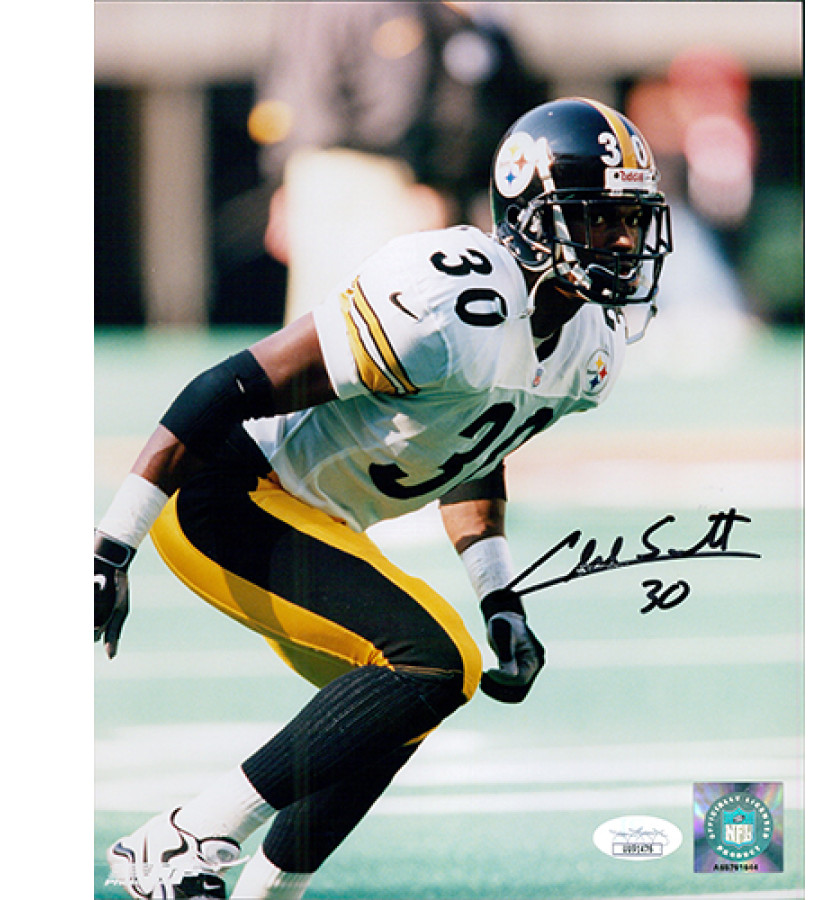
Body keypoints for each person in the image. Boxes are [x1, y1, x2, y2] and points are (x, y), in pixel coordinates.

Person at [95, 97, 673, 900]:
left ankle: (268, 893)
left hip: (315, 517)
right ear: (530, 218)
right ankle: (181, 838)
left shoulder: (591, 348)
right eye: (597, 218)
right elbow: (225, 387)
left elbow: (475, 444)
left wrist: (499, 595)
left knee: (403, 704)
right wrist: (111, 545)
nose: (621, 242)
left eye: (631, 221)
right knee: (435, 661)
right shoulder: (449, 300)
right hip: (225, 494)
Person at [250, 1, 547, 322]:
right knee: (381, 319)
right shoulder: (388, 8)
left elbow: (283, 95)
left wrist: (280, 177)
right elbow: (394, 104)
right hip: (373, 177)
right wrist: (426, 177)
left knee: (323, 322)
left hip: (314, 171)